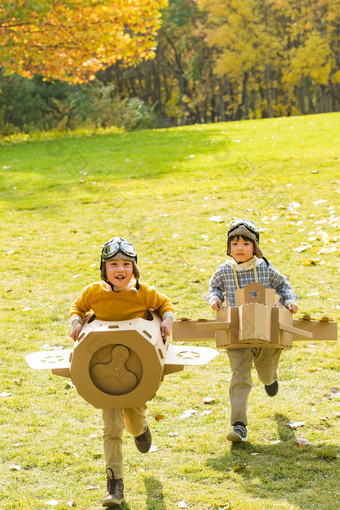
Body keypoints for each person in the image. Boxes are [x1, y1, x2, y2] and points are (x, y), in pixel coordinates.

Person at [69, 237, 175, 507]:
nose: (120, 269)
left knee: (134, 414)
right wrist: (75, 321)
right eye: (113, 264)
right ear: (104, 269)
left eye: (126, 264)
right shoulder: (94, 292)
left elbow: (165, 304)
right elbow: (78, 308)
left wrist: (167, 320)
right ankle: (114, 484)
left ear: (134, 268)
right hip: (103, 370)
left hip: (135, 368)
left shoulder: (143, 292)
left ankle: (140, 429)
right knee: (111, 427)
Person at [205, 218, 298, 443]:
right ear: (229, 248)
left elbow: (284, 286)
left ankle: (270, 379)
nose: (240, 248)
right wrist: (215, 298)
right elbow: (213, 288)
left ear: (255, 248)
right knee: (240, 376)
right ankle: (239, 425)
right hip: (237, 333)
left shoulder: (264, 268)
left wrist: (289, 301)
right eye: (235, 243)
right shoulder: (224, 271)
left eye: (246, 244)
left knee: (265, 371)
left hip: (266, 332)